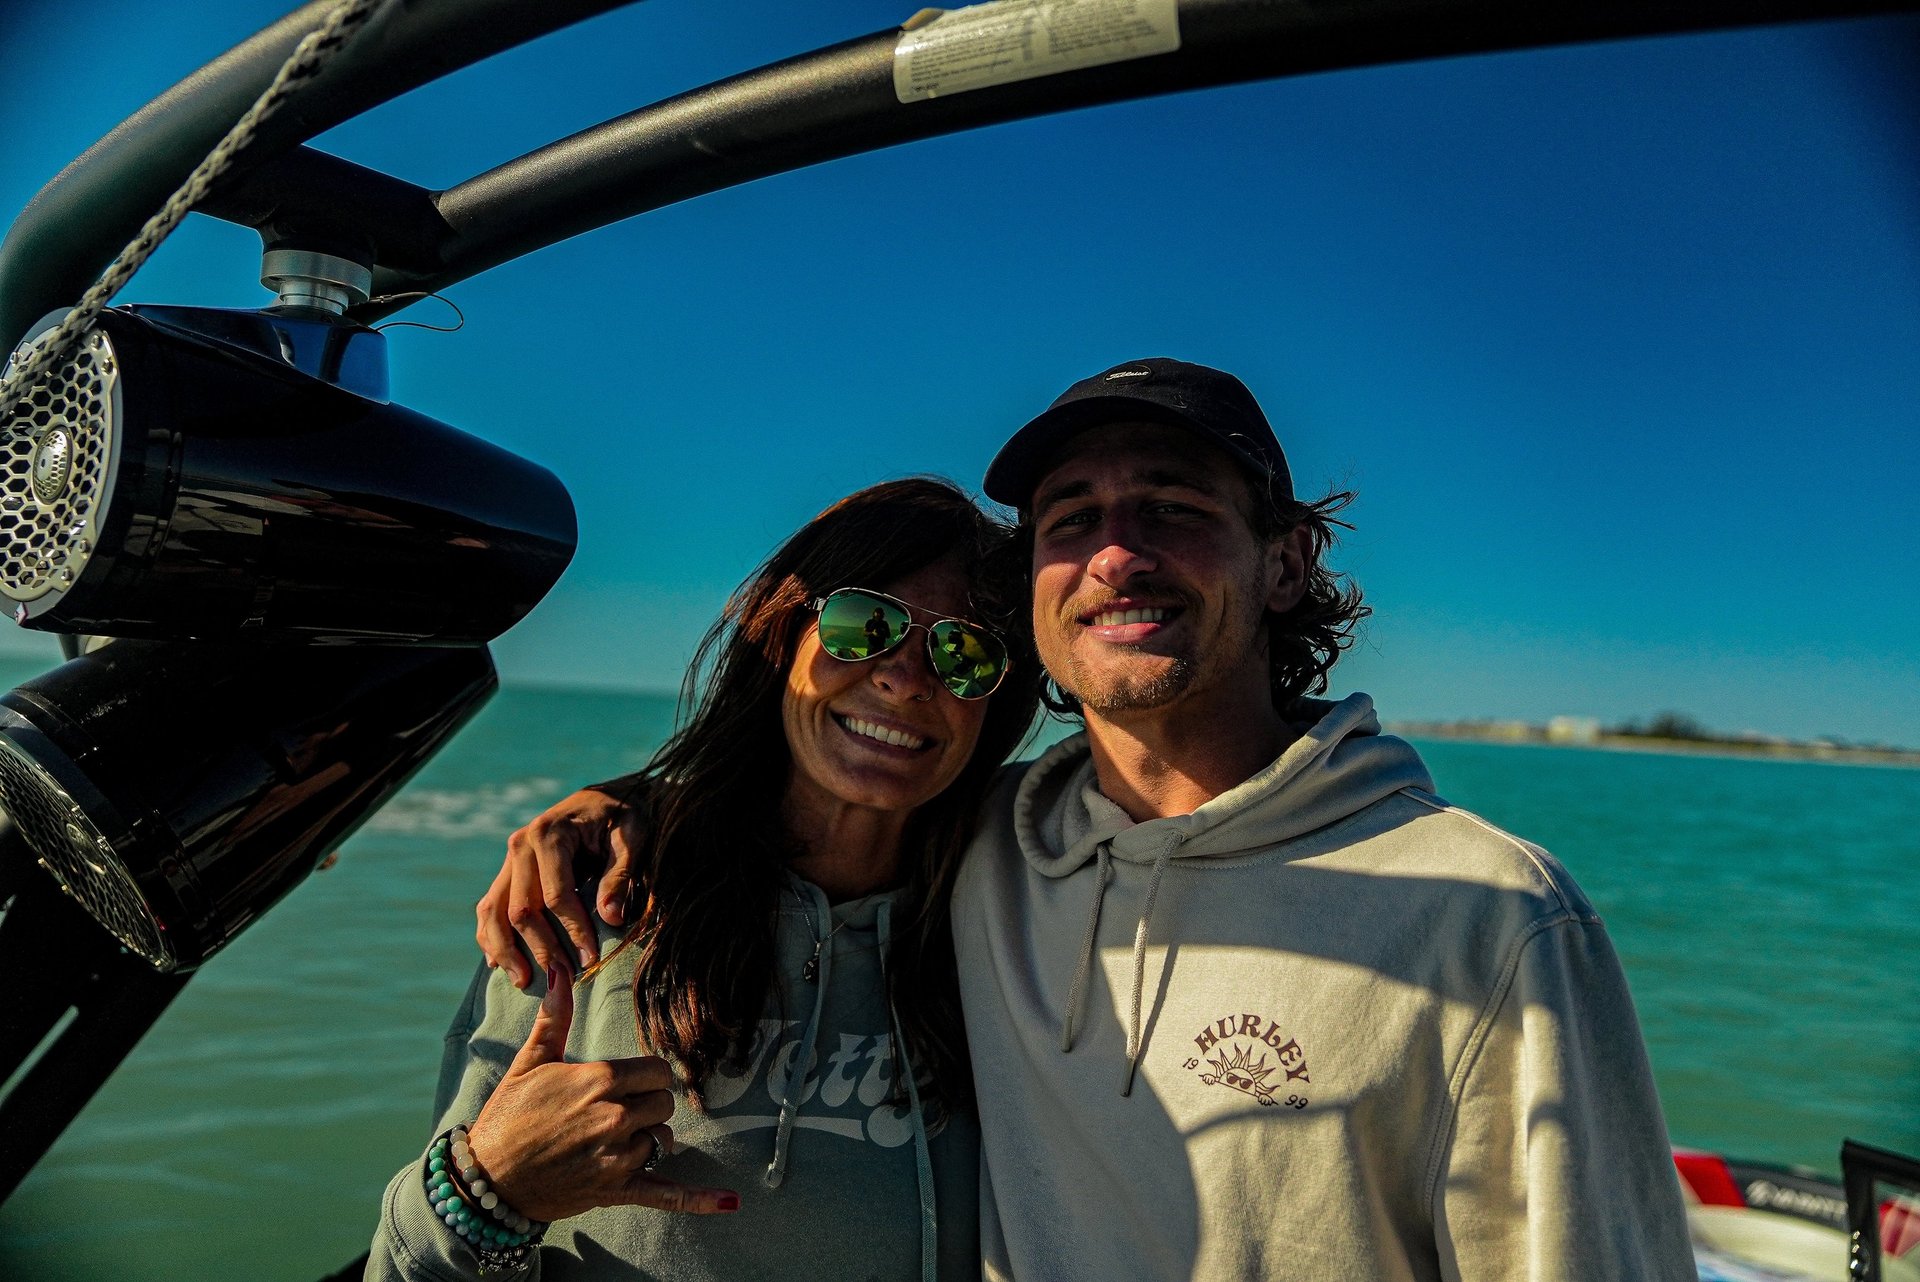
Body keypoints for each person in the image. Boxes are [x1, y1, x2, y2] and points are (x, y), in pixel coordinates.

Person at [483, 360, 1696, 1281]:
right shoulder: (997, 843)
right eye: (1072, 519)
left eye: (1172, 507)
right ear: (1040, 595)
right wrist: (625, 807)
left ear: (1282, 564)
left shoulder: (1493, 916)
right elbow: (821, 782)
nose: (1117, 552)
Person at [367, 477, 1038, 1282]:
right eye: (864, 624)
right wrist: (492, 1190)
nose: (904, 677)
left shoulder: (1016, 918)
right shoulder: (595, 900)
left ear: (994, 700)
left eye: (964, 652)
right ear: (784, 632)